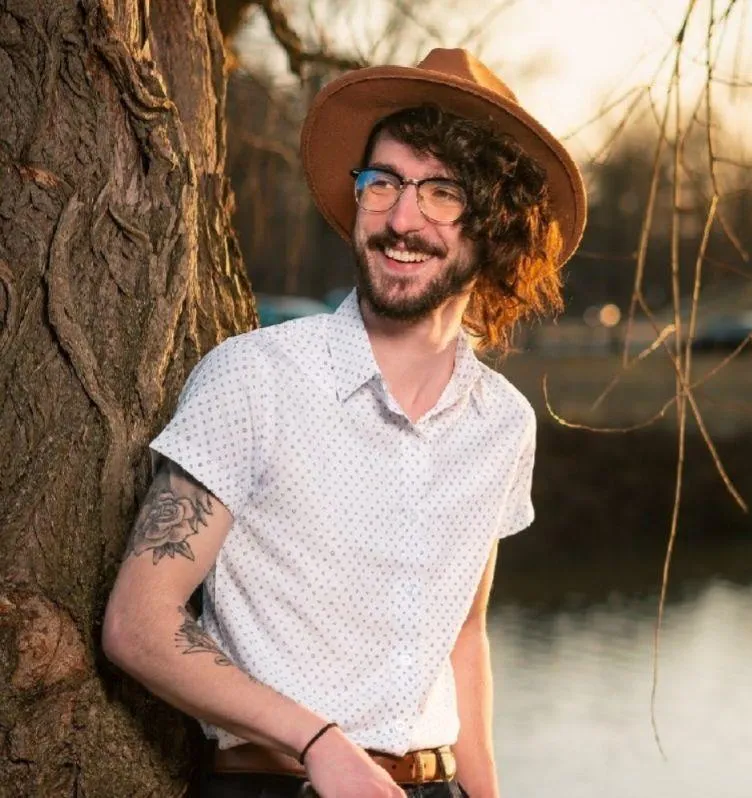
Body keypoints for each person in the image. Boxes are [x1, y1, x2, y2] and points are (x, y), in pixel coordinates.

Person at [102, 48, 586, 798]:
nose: (401, 218)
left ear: (493, 224)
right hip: (279, 782)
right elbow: (139, 624)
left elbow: (464, 638)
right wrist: (318, 741)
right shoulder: (254, 378)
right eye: (382, 183)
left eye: (440, 193)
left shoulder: (505, 424)